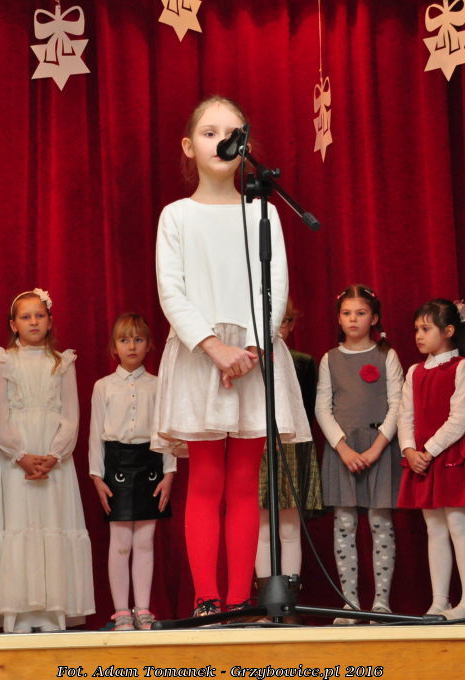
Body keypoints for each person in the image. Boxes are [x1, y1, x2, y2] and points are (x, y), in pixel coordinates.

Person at [151, 95, 310, 617]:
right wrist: (214, 347)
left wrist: (252, 348)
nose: (221, 141)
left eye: (232, 133)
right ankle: (207, 600)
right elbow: (171, 291)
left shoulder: (263, 212)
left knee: (246, 483)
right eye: (209, 132)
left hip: (253, 355)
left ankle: (241, 599)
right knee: (205, 481)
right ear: (188, 146)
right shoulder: (176, 216)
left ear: (246, 146)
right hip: (201, 356)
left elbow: (275, 285)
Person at [0, 289, 94, 632]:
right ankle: (17, 612)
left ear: (49, 320)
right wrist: (19, 454)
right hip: (15, 460)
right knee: (18, 523)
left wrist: (56, 454)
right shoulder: (2, 361)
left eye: (39, 315)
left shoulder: (62, 362)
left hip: (54, 460)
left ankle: (51, 612)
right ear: (13, 324)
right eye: (25, 316)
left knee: (52, 521)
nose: (33, 321)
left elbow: (71, 414)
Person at [316, 285, 402, 623]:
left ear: (374, 318)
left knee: (381, 523)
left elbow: (398, 404)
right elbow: (323, 409)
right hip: (343, 450)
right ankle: (350, 603)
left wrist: (378, 447)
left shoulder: (386, 355)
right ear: (339, 318)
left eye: (361, 313)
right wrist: (343, 448)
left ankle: (381, 603)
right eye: (347, 313)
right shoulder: (330, 359)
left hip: (379, 446)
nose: (353, 319)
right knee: (344, 525)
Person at [88, 313, 175, 631]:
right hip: (117, 465)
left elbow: (166, 431)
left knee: (145, 540)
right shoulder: (103, 387)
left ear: (149, 344)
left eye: (138, 339)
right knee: (121, 541)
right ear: (114, 347)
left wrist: (169, 472)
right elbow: (95, 433)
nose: (132, 346)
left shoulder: (158, 385)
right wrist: (97, 476)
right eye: (124, 340)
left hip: (151, 463)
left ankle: (143, 609)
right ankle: (121, 612)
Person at [398, 299, 465, 620]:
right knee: (434, 528)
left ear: (448, 331)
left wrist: (429, 450)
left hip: (449, 457)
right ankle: (439, 601)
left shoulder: (462, 367)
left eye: (426, 329)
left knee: (458, 524)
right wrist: (409, 450)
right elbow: (405, 415)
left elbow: (460, 417)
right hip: (421, 460)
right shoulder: (414, 371)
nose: (418, 335)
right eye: (416, 329)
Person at [254, 297, 322, 617]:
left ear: (292, 324)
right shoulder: (251, 359)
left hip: (293, 444)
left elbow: (307, 408)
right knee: (262, 528)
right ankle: (267, 601)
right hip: (257, 444)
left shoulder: (304, 362)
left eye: (285, 321)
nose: (279, 328)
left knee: (290, 527)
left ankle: (289, 603)